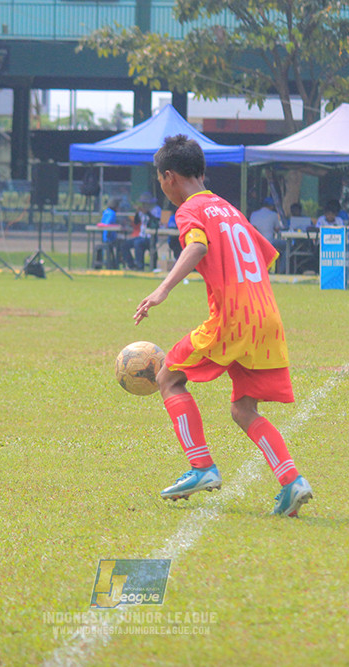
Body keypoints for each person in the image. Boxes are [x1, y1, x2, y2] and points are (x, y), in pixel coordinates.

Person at [133, 134, 313, 517]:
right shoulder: (231, 210)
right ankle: (293, 481)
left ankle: (201, 467)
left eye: (160, 181)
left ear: (168, 178)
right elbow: (264, 256)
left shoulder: (189, 210)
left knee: (168, 378)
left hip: (233, 319)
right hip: (267, 317)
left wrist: (163, 289)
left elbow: (197, 246)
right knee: (243, 408)